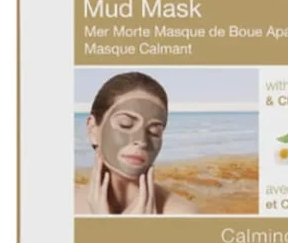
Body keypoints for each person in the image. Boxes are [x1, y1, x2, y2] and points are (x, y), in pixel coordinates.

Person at [74, 71, 197, 214]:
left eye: (154, 131)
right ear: (93, 130)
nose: (142, 140)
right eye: (125, 124)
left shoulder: (182, 214)